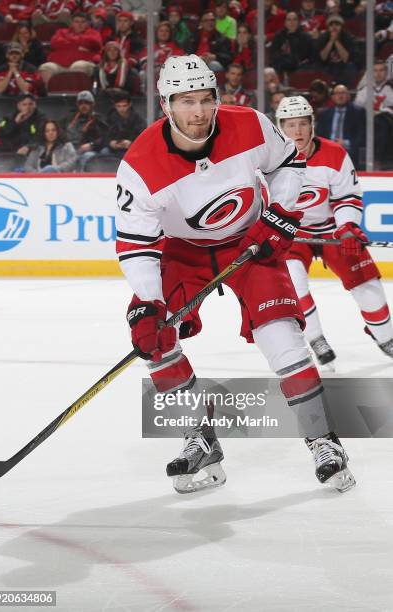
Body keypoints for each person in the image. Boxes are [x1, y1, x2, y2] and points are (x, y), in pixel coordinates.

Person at [116, 54, 356, 495]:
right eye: (185, 101)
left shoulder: (250, 124)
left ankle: (325, 442)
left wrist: (280, 212)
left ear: (217, 98)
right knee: (156, 341)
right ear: (165, 104)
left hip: (251, 239)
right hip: (183, 252)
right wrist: (149, 304)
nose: (198, 111)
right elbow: (136, 247)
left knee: (281, 337)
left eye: (206, 99)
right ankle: (201, 440)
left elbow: (287, 165)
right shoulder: (139, 166)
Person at [276, 95, 393, 369]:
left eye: (303, 124)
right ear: (280, 127)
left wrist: (348, 226)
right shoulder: (269, 161)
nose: (297, 131)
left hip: (332, 230)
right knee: (293, 283)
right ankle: (315, 337)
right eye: (290, 125)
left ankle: (385, 336)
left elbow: (347, 197)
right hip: (292, 234)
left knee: (369, 286)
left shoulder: (334, 153)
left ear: (312, 125)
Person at [39, 12, 102, 85]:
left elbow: (95, 43)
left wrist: (67, 41)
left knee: (78, 66)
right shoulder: (62, 32)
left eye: (82, 22)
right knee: (46, 67)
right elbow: (54, 43)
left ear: (87, 23)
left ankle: (76, 93)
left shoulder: (93, 33)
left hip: (84, 63)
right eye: (76, 21)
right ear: (72, 23)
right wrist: (78, 44)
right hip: (60, 64)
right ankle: (52, 93)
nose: (79, 24)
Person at [316, 83, 366, 168]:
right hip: (328, 148)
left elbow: (362, 136)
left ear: (348, 96)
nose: (340, 96)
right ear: (332, 97)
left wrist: (345, 143)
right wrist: (330, 144)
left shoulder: (358, 112)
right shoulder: (324, 114)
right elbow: (319, 136)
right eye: (337, 93)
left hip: (348, 149)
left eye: (343, 93)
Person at [64, 90, 108, 171]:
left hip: (88, 151)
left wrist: (91, 145)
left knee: (86, 156)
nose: (83, 106)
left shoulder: (99, 119)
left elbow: (105, 138)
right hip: (69, 149)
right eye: (81, 103)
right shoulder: (69, 118)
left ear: (92, 104)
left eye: (86, 103)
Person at [0, 92, 45, 157]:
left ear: (35, 105)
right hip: (10, 151)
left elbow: (41, 136)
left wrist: (29, 147)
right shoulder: (8, 118)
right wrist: (14, 122)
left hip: (31, 151)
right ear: (19, 106)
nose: (28, 107)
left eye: (31, 104)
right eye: (24, 104)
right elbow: (1, 134)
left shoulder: (41, 118)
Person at [102, 91, 146, 156]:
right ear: (114, 106)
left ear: (129, 104)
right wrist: (110, 143)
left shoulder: (138, 120)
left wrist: (131, 143)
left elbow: (143, 138)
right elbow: (103, 135)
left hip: (132, 150)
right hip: (113, 150)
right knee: (104, 152)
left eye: (124, 106)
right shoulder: (109, 118)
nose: (121, 109)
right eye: (118, 106)